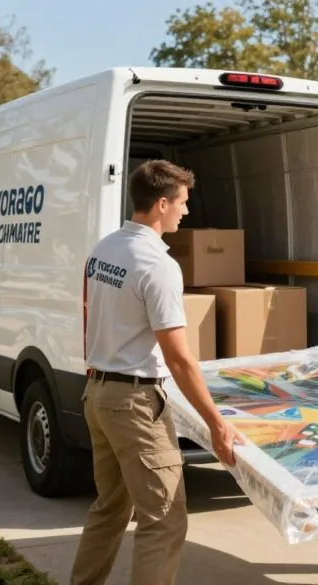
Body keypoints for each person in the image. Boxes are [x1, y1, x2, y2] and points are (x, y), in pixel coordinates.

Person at [70, 159, 245, 585]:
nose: (186, 211)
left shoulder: (104, 249)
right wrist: (217, 423)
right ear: (162, 204)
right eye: (183, 203)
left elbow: (88, 315)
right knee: (164, 519)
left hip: (98, 393)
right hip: (134, 404)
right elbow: (179, 357)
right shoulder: (158, 265)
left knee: (109, 509)